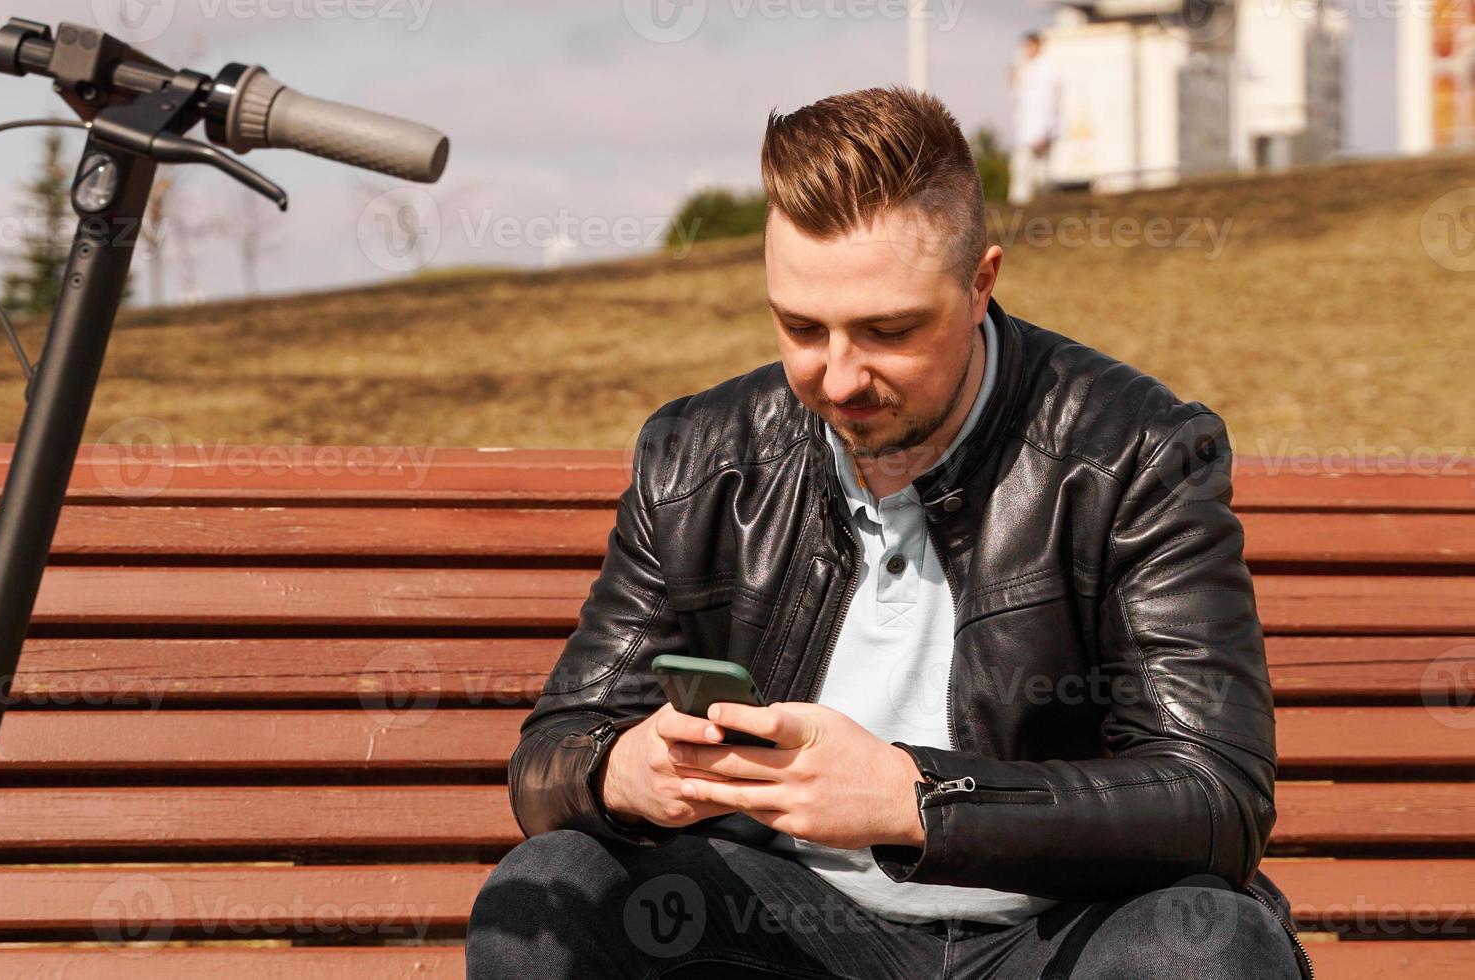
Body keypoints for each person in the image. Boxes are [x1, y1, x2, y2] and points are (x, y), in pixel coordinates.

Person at [466, 86, 1308, 979]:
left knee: (1207, 949)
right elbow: (554, 750)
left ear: (981, 283)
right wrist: (620, 774)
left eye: (889, 330)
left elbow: (1213, 795)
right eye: (801, 327)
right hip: (787, 931)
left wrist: (918, 799)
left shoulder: (1136, 450)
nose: (838, 378)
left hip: (1063, 930)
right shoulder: (695, 458)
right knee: (554, 893)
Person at [1011, 31, 1061, 204]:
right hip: (1026, 128)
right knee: (1021, 168)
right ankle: (1020, 203)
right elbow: (1020, 99)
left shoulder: (1047, 70)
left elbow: (1049, 102)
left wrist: (1044, 131)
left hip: (1040, 129)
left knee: (1043, 171)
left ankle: (1046, 203)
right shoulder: (1026, 68)